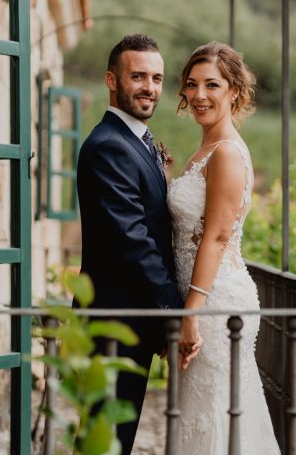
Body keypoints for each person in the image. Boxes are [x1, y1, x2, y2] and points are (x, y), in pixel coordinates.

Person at [167, 42, 280, 454]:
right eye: (191, 85)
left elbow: (216, 236)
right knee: (203, 418)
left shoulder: (228, 153)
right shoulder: (204, 151)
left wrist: (191, 313)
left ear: (234, 90)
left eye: (211, 85)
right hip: (200, 298)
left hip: (214, 305)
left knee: (216, 416)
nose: (199, 96)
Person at [77, 33, 184, 454]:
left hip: (130, 321)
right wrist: (171, 310)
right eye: (138, 76)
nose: (149, 87)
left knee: (113, 439)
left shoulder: (137, 141)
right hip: (115, 322)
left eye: (156, 78)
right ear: (111, 79)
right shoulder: (108, 146)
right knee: (103, 442)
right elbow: (133, 238)